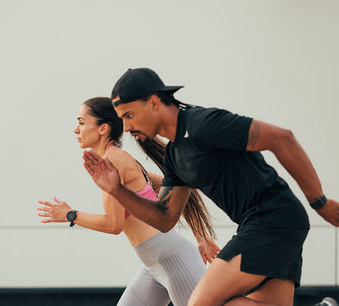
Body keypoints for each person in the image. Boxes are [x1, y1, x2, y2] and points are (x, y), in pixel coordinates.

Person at [82, 68, 339, 306]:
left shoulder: (203, 124)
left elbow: (282, 138)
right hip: (263, 223)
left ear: (153, 103)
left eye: (129, 115)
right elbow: (164, 218)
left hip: (273, 219)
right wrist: (118, 190)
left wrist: (320, 201)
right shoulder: (176, 156)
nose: (126, 127)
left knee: (201, 303)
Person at [37, 97, 220, 306]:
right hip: (154, 265)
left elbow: (114, 225)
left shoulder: (113, 161)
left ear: (102, 129)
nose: (76, 130)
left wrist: (71, 215)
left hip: (173, 260)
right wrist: (201, 237)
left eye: (81, 122)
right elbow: (179, 185)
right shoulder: (118, 159)